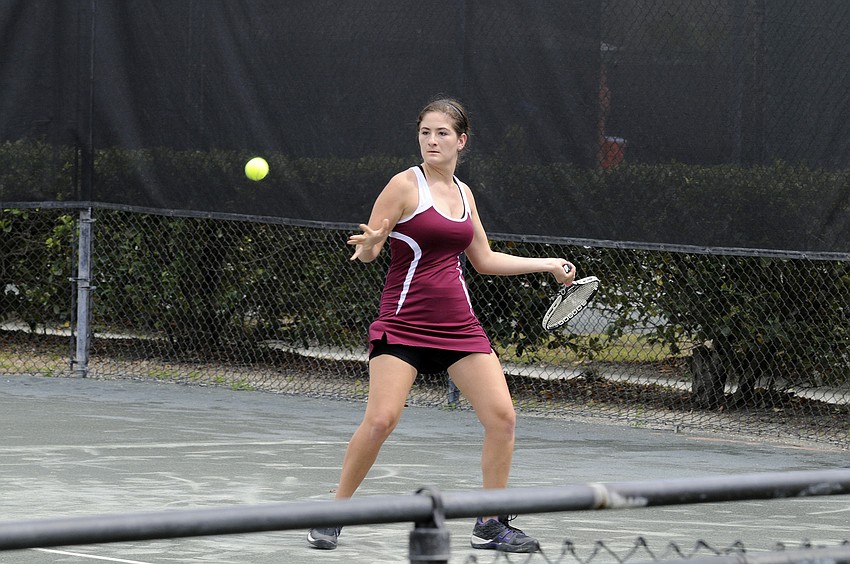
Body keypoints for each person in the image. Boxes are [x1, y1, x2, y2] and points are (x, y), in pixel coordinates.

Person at [307, 98, 575, 553]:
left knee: (503, 418)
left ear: (461, 141)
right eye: (426, 132)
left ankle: (491, 523)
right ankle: (335, 511)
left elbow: (484, 260)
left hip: (459, 327)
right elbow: (372, 248)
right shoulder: (404, 185)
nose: (432, 141)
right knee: (381, 420)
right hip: (403, 323)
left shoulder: (465, 195)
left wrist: (547, 263)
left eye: (442, 133)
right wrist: (373, 243)